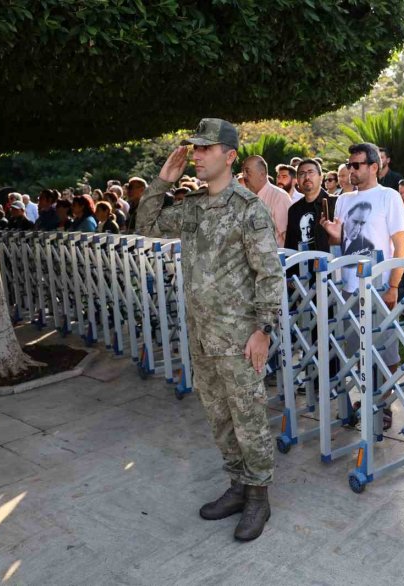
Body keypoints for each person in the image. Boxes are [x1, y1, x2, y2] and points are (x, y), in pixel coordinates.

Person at [136, 118, 283, 542]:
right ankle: (237, 485)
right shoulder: (195, 206)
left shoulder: (248, 209)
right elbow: (145, 226)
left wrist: (263, 330)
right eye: (194, 149)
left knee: (248, 417)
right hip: (201, 335)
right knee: (219, 417)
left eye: (205, 149)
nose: (196, 155)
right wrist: (164, 180)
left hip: (239, 339)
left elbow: (269, 274)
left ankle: (258, 496)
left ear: (230, 155)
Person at [321, 142, 404, 429]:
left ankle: (383, 402)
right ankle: (366, 397)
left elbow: (400, 245)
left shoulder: (389, 197)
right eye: (349, 164)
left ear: (374, 166)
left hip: (379, 287)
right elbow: (340, 242)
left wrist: (393, 285)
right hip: (348, 288)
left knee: (386, 352)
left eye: (356, 164)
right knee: (356, 350)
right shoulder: (343, 200)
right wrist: (334, 235)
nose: (350, 170)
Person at [284, 158, 336, 252]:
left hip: (331, 264)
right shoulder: (294, 210)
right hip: (302, 264)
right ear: (297, 181)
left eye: (311, 172)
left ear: (321, 178)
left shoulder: (335, 203)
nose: (307, 177)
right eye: (302, 173)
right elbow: (290, 245)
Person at [243, 156, 291, 246]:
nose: (244, 176)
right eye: (243, 172)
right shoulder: (244, 197)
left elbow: (288, 237)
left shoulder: (279, 197)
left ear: (262, 174)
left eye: (247, 171)